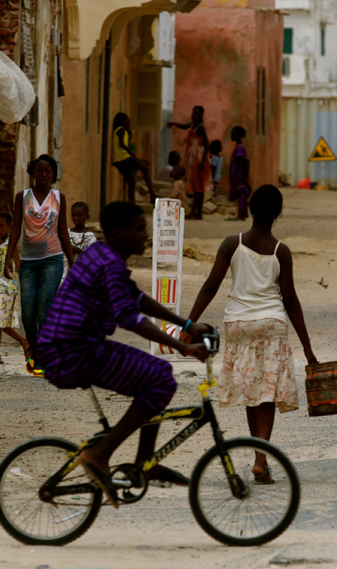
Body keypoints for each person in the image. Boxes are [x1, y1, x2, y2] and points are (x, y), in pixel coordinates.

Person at [32, 202, 214, 503]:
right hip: (72, 353)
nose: (146, 237)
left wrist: (187, 324)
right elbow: (129, 316)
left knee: (159, 377)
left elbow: (136, 298)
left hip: (70, 347)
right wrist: (183, 346)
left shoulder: (103, 254)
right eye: (140, 231)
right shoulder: (109, 264)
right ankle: (99, 455)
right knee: (161, 380)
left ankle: (143, 465)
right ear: (120, 233)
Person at [186, 186, 317, 483]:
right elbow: (291, 299)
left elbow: (210, 286)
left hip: (238, 325)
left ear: (250, 208)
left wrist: (187, 324)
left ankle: (260, 458)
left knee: (250, 389)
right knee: (266, 393)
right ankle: (260, 459)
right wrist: (307, 347)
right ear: (278, 214)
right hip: (270, 324)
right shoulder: (281, 250)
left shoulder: (232, 244)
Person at [3, 155, 77, 348]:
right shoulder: (23, 196)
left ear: (53, 174)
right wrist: (8, 258)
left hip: (52, 259)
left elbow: (63, 232)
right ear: (33, 173)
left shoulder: (58, 197)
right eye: (40, 171)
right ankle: (34, 349)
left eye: (48, 172)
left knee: (44, 308)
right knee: (28, 312)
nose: (43, 175)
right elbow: (15, 229)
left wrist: (72, 263)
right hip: (28, 262)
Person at [0, 212, 32, 374]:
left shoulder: (11, 243)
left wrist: (24, 284)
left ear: (9, 226)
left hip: (8, 287)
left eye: (1, 226)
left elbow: (18, 264)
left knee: (1, 321)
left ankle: (23, 342)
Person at [170, 106, 211, 219]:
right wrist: (174, 123)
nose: (195, 116)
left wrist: (202, 161)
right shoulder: (192, 125)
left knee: (198, 186)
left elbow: (207, 143)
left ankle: (195, 212)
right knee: (197, 185)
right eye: (194, 114)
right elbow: (184, 126)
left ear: (201, 116)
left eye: (197, 114)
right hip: (193, 157)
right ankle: (198, 213)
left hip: (198, 157)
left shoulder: (200, 127)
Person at [109, 112, 157, 203]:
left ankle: (132, 204)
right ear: (122, 121)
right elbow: (122, 144)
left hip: (118, 160)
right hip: (123, 158)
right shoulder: (121, 130)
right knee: (144, 168)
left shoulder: (120, 130)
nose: (128, 124)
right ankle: (152, 194)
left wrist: (139, 159)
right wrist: (133, 155)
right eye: (128, 122)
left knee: (131, 182)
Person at [227, 126, 251, 221]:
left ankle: (240, 215)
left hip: (239, 176)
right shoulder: (238, 147)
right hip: (237, 176)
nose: (231, 136)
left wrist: (245, 175)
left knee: (241, 194)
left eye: (232, 134)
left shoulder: (240, 148)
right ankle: (242, 214)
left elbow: (244, 162)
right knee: (241, 195)